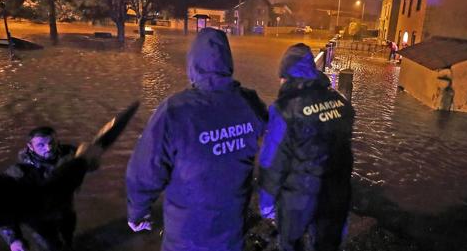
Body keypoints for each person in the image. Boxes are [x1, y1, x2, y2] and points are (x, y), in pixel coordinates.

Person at [126, 28, 267, 251]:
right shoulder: (249, 103)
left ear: (193, 64)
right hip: (230, 232)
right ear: (227, 61)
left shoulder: (175, 111)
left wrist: (138, 211)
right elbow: (272, 141)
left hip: (185, 237)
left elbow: (145, 169)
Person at [259, 43, 354, 251]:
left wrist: (266, 202)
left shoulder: (285, 109)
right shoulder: (341, 103)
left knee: (290, 244)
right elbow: (345, 157)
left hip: (298, 201)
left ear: (286, 75)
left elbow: (273, 160)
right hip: (335, 197)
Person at [0, 127, 79, 251]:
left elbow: (87, 157)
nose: (49, 148)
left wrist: (92, 161)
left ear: (58, 141)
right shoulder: (19, 173)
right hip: (40, 219)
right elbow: (0, 205)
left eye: (51, 143)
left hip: (66, 210)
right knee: (50, 246)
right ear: (30, 146)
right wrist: (14, 239)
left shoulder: (69, 154)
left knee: (68, 238)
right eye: (41, 145)